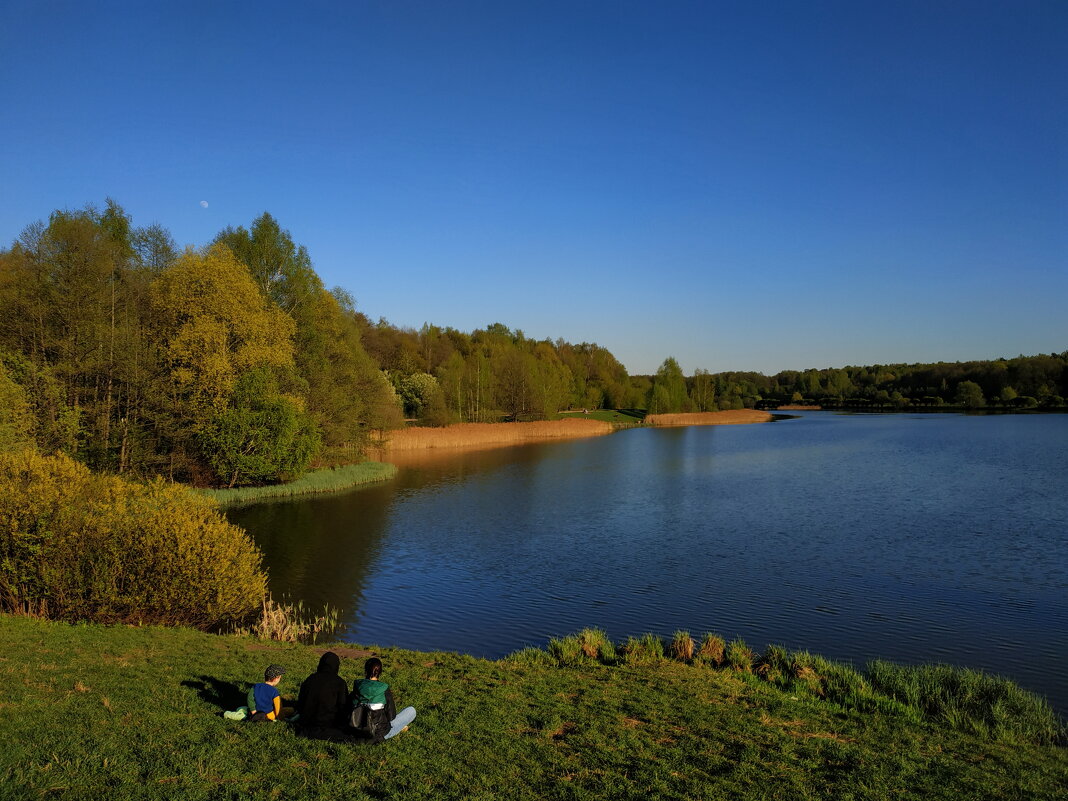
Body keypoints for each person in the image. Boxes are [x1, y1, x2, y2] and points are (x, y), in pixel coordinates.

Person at [350, 657, 416, 743]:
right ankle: (400, 727)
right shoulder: (384, 688)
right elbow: (391, 716)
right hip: (378, 734)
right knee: (411, 710)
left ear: (365, 670)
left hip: (356, 730)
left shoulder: (357, 685)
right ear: (380, 672)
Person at [295, 651, 357, 742]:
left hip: (307, 723)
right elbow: (343, 707)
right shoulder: (340, 683)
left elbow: (301, 702)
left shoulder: (310, 679)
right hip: (330, 723)